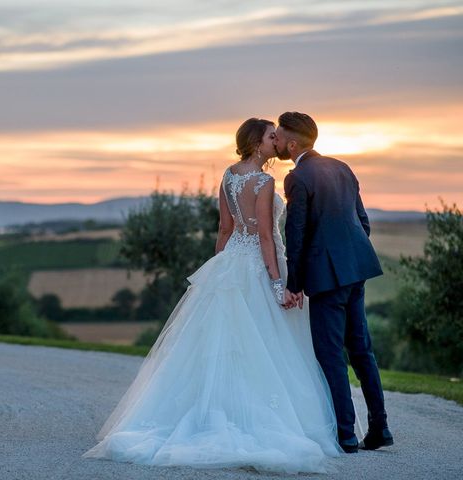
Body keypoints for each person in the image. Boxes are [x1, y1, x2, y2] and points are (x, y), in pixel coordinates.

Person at [82, 118, 341, 474]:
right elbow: (266, 236)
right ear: (256, 143)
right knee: (261, 344)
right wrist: (279, 284)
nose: (275, 140)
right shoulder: (265, 181)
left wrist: (221, 268)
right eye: (270, 137)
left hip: (233, 260)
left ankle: (212, 410)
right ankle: (255, 418)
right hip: (260, 265)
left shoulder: (229, 176)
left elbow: (225, 228)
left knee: (225, 344)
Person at [274, 111, 393, 453]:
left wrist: (294, 282)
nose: (278, 142)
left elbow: (295, 233)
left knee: (330, 354)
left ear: (292, 143)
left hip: (327, 278)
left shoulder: (297, 176)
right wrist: (348, 257)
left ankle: (345, 434)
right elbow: (363, 222)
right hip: (356, 270)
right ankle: (380, 427)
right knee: (362, 350)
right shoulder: (342, 167)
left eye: (280, 137)